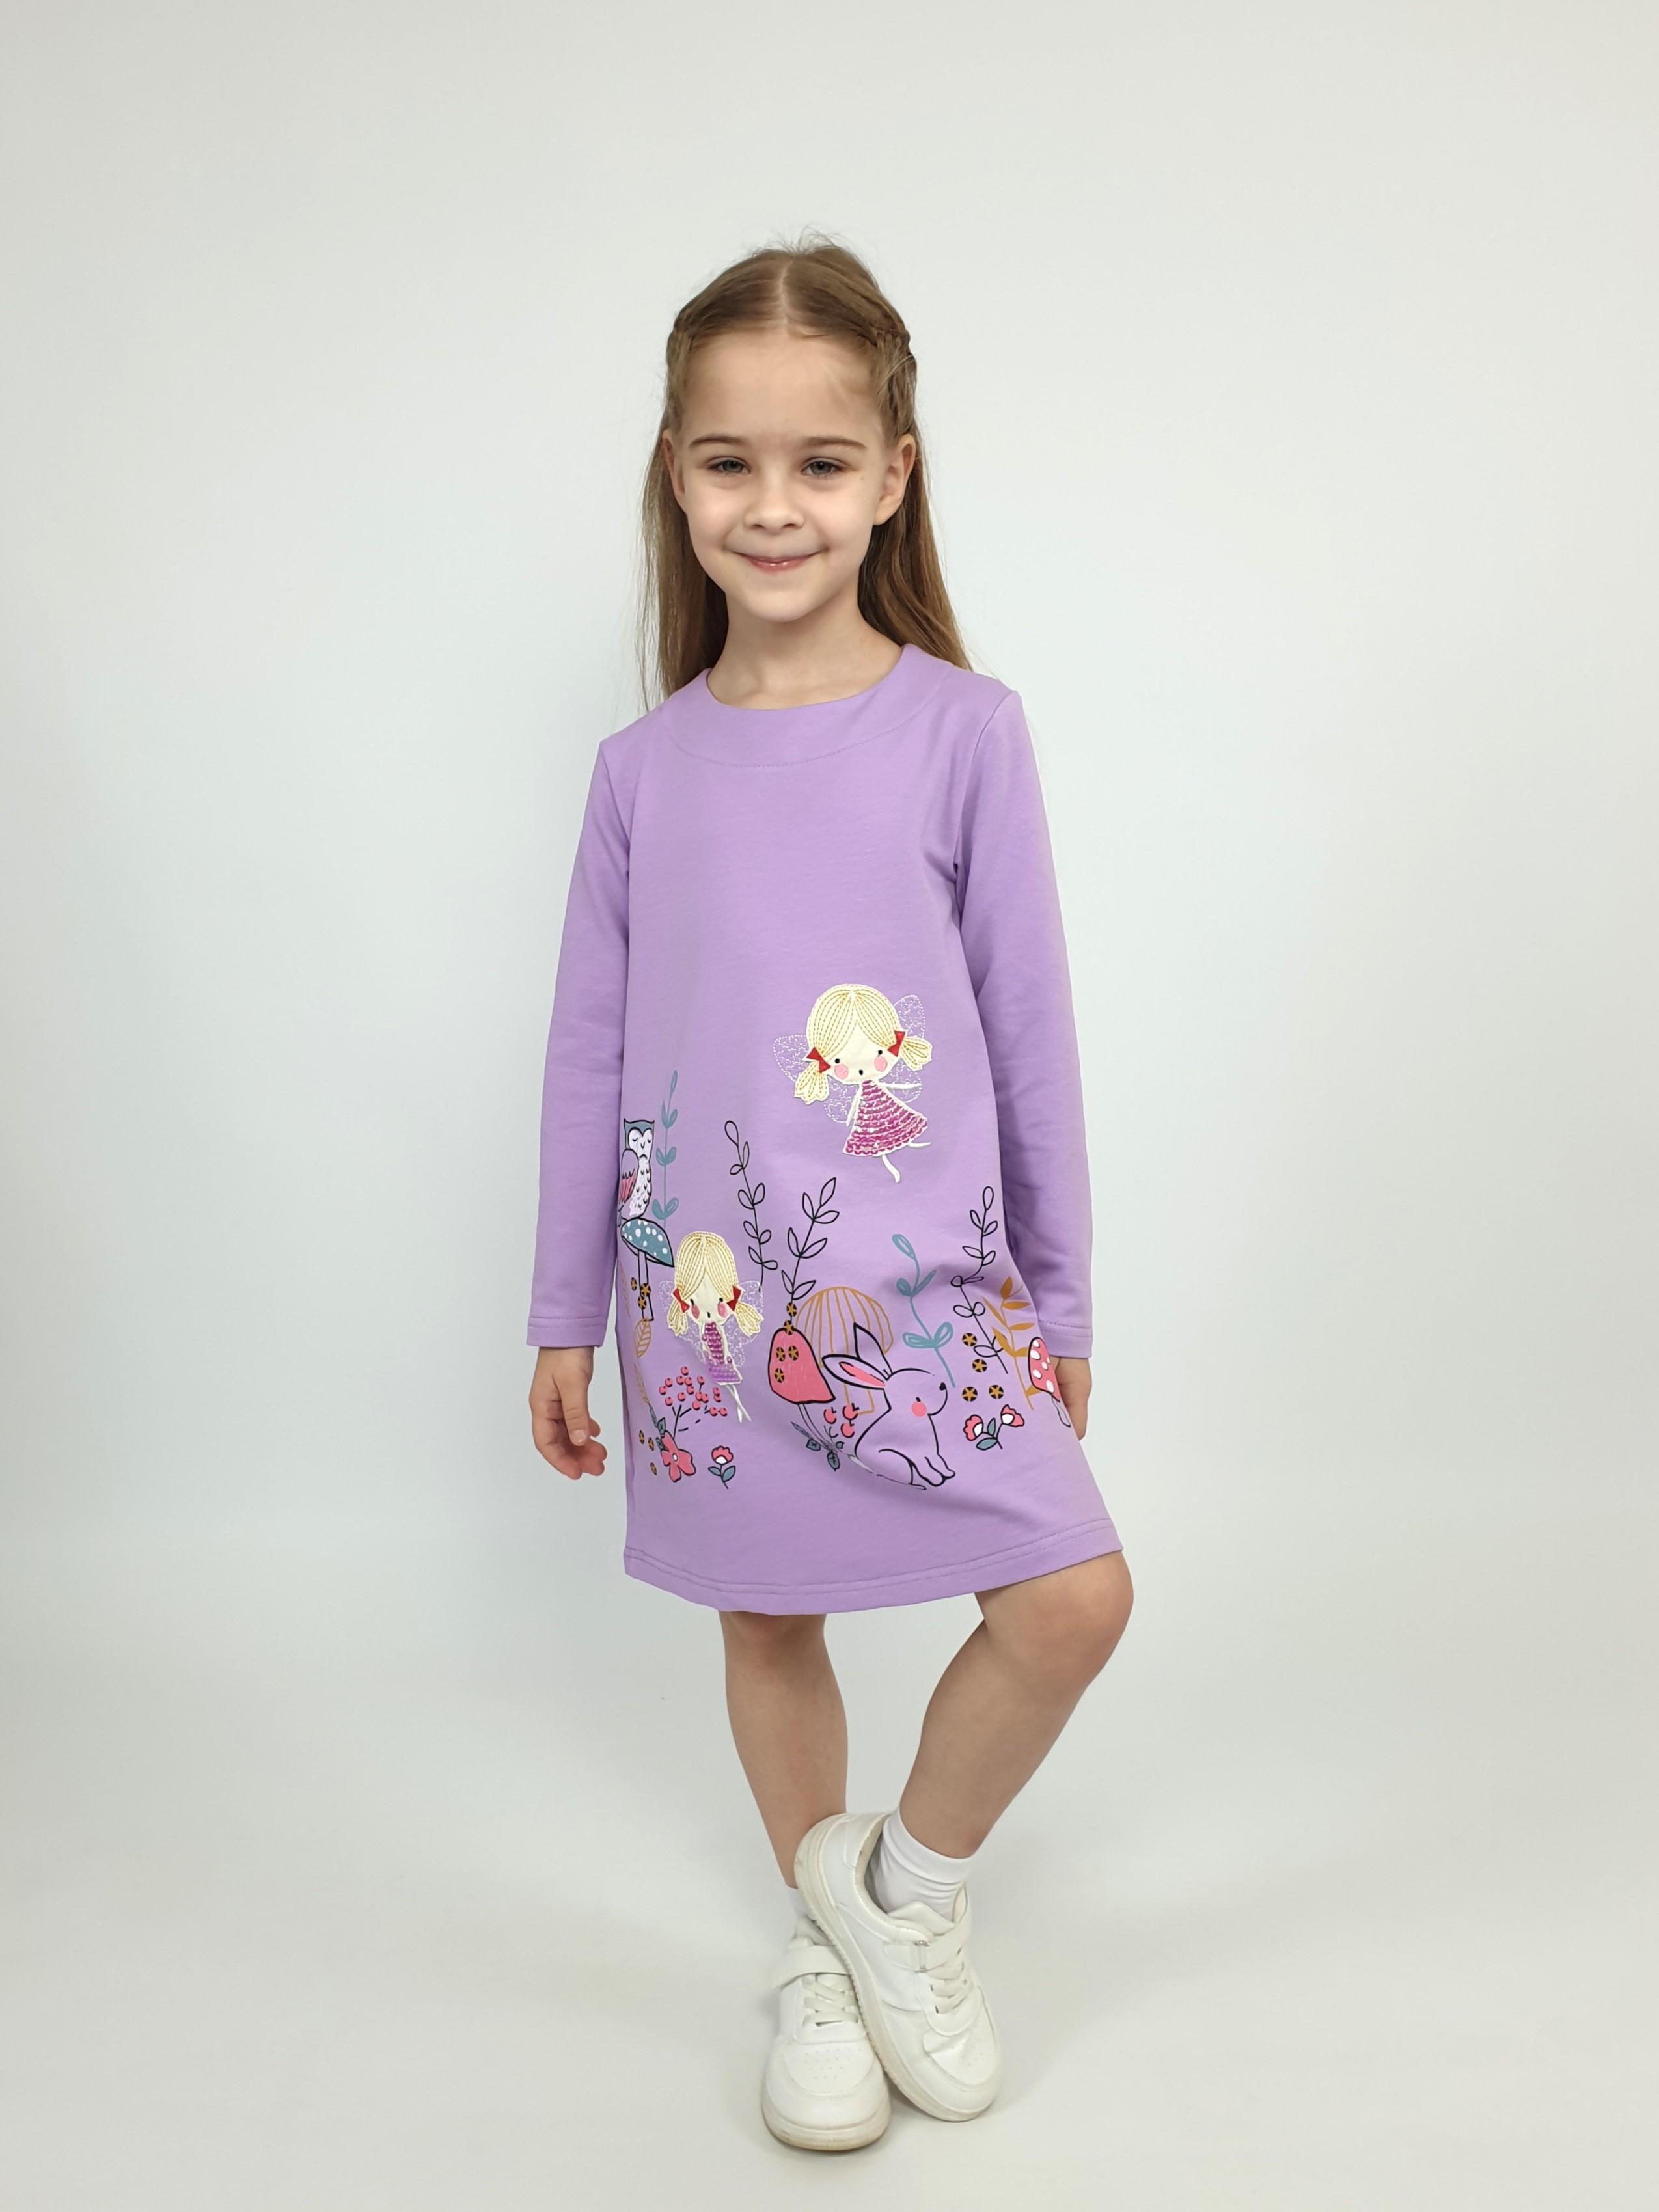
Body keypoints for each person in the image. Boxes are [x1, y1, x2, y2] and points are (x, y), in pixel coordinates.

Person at [525, 232, 1134, 2153]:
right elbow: (589, 1055)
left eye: (818, 461)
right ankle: (823, 1950)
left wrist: (1059, 1298)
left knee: (1072, 1601)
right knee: (768, 1625)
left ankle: (900, 1901)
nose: (771, 504)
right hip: (710, 1299)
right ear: (677, 475)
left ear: (892, 475)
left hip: (930, 1292)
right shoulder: (642, 773)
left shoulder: (965, 732)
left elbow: (1031, 1037)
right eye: (729, 461)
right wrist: (563, 1312)